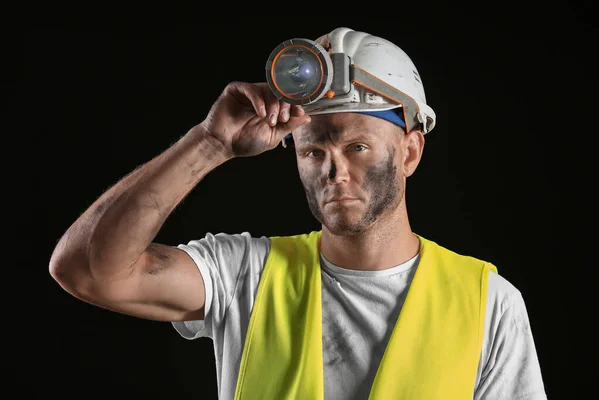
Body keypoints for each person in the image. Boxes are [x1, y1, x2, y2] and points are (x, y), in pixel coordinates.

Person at [49, 27, 547, 399]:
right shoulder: (245, 274)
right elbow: (88, 270)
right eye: (313, 151)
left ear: (411, 153)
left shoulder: (488, 304)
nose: (335, 170)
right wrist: (210, 143)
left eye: (358, 146)